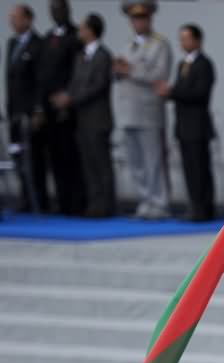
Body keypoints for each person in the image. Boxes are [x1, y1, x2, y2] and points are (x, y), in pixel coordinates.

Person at [112, 0, 170, 219]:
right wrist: (118, 70)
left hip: (148, 112)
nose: (138, 22)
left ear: (150, 19)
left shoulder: (159, 45)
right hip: (128, 111)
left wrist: (130, 70)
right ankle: (145, 200)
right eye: (134, 19)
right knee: (136, 161)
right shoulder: (127, 45)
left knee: (153, 160)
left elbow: (159, 76)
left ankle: (160, 203)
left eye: (141, 18)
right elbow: (121, 73)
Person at [54, 11, 111, 217]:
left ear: (92, 31)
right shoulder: (80, 56)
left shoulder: (103, 55)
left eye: (83, 28)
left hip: (98, 118)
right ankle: (93, 203)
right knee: (88, 164)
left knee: (101, 163)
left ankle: (106, 204)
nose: (80, 31)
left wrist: (72, 98)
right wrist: (65, 96)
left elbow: (98, 86)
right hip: (82, 119)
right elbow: (75, 83)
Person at [35, 0, 84, 214]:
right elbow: (41, 74)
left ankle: (76, 202)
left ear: (68, 10)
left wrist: (68, 98)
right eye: (53, 10)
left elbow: (78, 71)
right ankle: (62, 201)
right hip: (48, 107)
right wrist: (40, 106)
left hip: (68, 107)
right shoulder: (47, 38)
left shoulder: (76, 37)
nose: (57, 13)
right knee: (54, 156)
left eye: (60, 9)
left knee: (70, 156)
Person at [165, 22, 212, 222]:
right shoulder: (182, 63)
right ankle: (194, 206)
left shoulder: (204, 64)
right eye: (181, 39)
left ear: (197, 40)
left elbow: (200, 93)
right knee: (189, 169)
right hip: (183, 125)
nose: (182, 43)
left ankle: (204, 209)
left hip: (197, 126)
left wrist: (172, 92)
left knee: (200, 169)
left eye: (186, 38)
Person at [6, 4, 42, 211]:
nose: (12, 21)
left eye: (16, 17)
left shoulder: (38, 44)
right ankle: (24, 198)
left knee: (34, 158)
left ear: (28, 19)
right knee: (17, 154)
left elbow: (39, 79)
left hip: (30, 112)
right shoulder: (11, 43)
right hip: (14, 111)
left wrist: (38, 108)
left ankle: (38, 199)